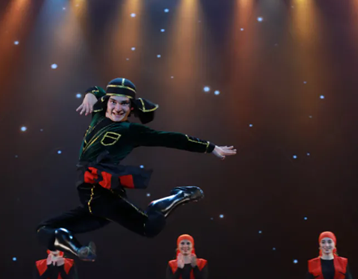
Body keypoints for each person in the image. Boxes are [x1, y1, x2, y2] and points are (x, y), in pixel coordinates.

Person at [37, 78, 237, 261]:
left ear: (131, 107)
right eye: (114, 102)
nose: (118, 108)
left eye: (124, 104)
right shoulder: (98, 115)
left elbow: (171, 139)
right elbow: (96, 89)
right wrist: (90, 93)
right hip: (89, 197)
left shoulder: (131, 131)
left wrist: (209, 147)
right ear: (106, 102)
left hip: (102, 194)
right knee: (44, 229)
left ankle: (180, 196)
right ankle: (80, 250)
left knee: (149, 228)